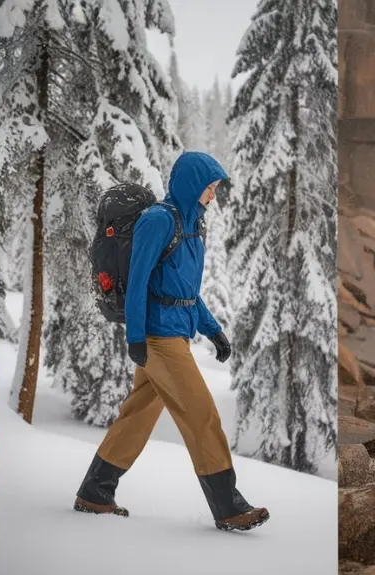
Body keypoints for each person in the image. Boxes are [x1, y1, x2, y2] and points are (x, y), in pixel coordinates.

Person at [74, 151, 269, 532]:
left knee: (138, 416)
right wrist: (135, 338)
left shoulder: (193, 225)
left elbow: (187, 291)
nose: (213, 194)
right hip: (158, 336)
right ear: (191, 185)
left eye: (215, 188)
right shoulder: (158, 220)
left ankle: (96, 491)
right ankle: (228, 506)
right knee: (202, 414)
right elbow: (138, 281)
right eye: (209, 187)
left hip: (176, 329)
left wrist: (213, 330)